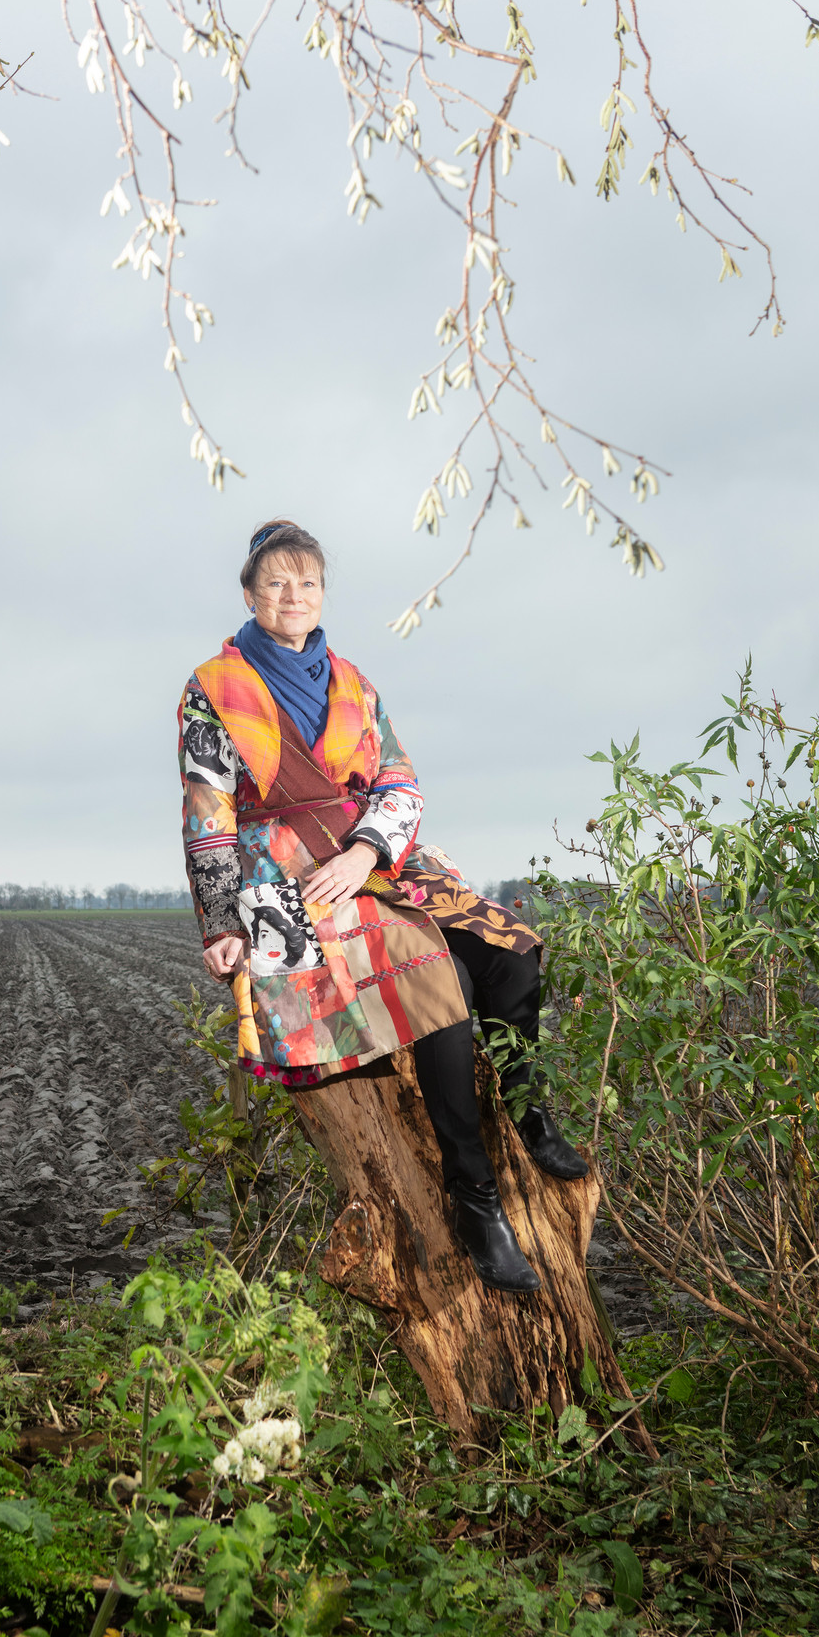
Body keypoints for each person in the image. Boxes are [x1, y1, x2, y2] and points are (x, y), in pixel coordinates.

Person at [177, 519, 589, 1294]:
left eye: (307, 581)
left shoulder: (354, 682)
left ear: (322, 592)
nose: (292, 594)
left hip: (370, 853)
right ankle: (476, 1203)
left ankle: (531, 1116)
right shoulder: (212, 688)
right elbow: (208, 812)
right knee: (436, 981)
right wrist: (225, 923)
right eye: (276, 582)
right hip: (287, 879)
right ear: (249, 594)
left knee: (510, 952)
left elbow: (399, 778)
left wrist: (366, 851)